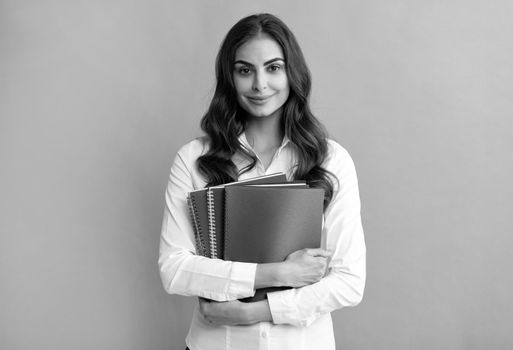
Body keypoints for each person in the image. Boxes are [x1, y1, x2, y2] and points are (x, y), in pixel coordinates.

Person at [158, 13, 366, 350]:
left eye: (273, 68)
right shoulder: (194, 159)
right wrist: (276, 274)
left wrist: (254, 312)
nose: (259, 85)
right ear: (230, 77)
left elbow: (348, 281)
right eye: (245, 70)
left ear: (292, 73)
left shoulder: (331, 160)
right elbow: (175, 270)